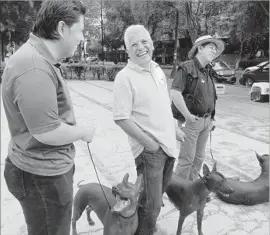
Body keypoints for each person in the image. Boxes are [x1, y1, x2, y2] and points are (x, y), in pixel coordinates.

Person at [1, 1, 95, 235]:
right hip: (42, 179)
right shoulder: (34, 67)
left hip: (42, 173)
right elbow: (46, 131)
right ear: (62, 28)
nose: (82, 38)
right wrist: (82, 131)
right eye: (81, 30)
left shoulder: (38, 59)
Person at [113, 24, 185, 235]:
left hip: (169, 146)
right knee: (149, 206)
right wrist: (150, 144)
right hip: (150, 153)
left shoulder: (157, 69)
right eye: (133, 44)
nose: (140, 47)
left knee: (156, 200)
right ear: (127, 50)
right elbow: (121, 118)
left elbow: (163, 105)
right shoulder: (124, 78)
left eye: (144, 41)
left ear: (152, 43)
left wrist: (174, 129)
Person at [171, 35, 225, 199]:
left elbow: (209, 96)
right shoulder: (187, 67)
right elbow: (174, 93)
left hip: (206, 122)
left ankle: (192, 188)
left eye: (216, 49)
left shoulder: (207, 71)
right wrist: (187, 115)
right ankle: (178, 192)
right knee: (186, 159)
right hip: (191, 121)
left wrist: (212, 118)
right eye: (211, 47)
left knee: (199, 158)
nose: (214, 50)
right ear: (200, 48)